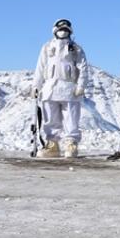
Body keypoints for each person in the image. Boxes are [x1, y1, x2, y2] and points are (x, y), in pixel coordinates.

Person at [30, 19, 90, 158]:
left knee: (71, 119)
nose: (63, 31)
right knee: (50, 119)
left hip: (70, 89)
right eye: (60, 29)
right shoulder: (47, 47)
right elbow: (40, 68)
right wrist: (36, 86)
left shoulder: (76, 48)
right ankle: (52, 145)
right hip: (50, 89)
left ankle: (71, 144)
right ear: (55, 31)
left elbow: (83, 68)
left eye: (66, 29)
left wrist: (81, 85)